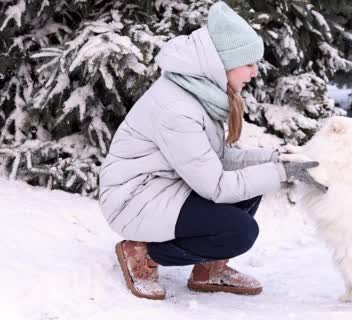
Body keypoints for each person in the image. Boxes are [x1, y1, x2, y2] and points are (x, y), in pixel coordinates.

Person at [99, 1, 326, 300]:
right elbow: (217, 186)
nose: (255, 72)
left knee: (251, 181)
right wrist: (280, 173)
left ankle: (209, 270)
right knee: (240, 232)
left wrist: (276, 160)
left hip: (163, 189)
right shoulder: (178, 108)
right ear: (224, 63)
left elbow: (220, 160)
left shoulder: (199, 92)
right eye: (249, 64)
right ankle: (142, 252)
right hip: (134, 200)